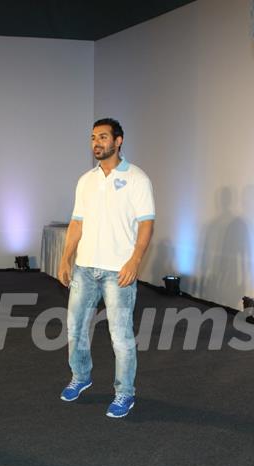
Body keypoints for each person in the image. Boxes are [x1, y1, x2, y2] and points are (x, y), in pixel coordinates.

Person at [57, 118, 155, 418]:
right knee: (75, 329)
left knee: (121, 337)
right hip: (85, 269)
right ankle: (81, 377)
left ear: (118, 140)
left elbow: (146, 223)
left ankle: (125, 394)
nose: (96, 143)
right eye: (92, 138)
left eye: (102, 137)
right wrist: (65, 257)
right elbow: (77, 222)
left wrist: (135, 260)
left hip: (118, 272)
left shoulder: (138, 178)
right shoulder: (85, 180)